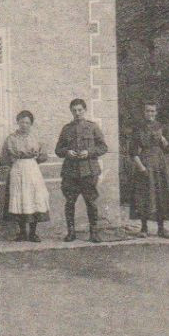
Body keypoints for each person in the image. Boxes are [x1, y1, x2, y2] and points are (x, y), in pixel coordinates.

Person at [55, 98, 110, 243]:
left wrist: (89, 152)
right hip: (70, 172)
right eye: (74, 110)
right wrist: (67, 152)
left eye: (80, 110)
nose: (77, 113)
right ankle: (71, 232)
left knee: (91, 202)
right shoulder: (66, 129)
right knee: (70, 202)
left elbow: (103, 147)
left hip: (88, 172)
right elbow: (58, 150)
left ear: (85, 110)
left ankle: (94, 232)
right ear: (71, 111)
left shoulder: (93, 127)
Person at [128, 102, 169, 239]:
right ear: (144, 112)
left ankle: (161, 228)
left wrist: (164, 140)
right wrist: (141, 167)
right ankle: (144, 228)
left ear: (156, 112)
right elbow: (132, 151)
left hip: (159, 164)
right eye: (148, 111)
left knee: (160, 195)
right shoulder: (138, 128)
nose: (150, 113)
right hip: (145, 162)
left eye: (153, 111)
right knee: (145, 195)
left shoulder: (162, 127)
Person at [2, 110, 50, 242]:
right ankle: (22, 232)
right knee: (20, 199)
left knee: (33, 198)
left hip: (32, 169)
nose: (24, 125)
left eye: (27, 122)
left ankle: (33, 233)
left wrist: (32, 161)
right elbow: (4, 157)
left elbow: (43, 155)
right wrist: (16, 162)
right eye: (22, 122)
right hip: (17, 170)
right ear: (17, 122)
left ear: (31, 124)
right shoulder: (11, 139)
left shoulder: (36, 138)